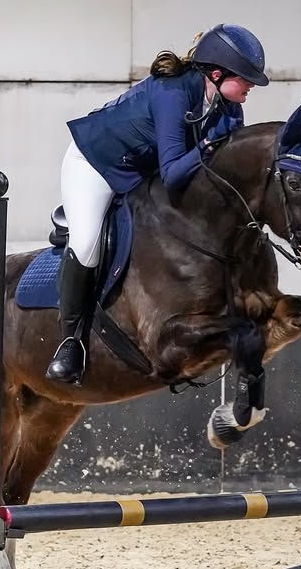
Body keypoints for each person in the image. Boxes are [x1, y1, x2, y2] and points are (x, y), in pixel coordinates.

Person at [45, 23, 270, 385]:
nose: (250, 86)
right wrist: (209, 148)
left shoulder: (229, 110)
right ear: (217, 73)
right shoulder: (173, 93)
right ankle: (71, 342)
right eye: (245, 78)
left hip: (141, 173)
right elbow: (175, 172)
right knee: (86, 242)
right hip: (96, 165)